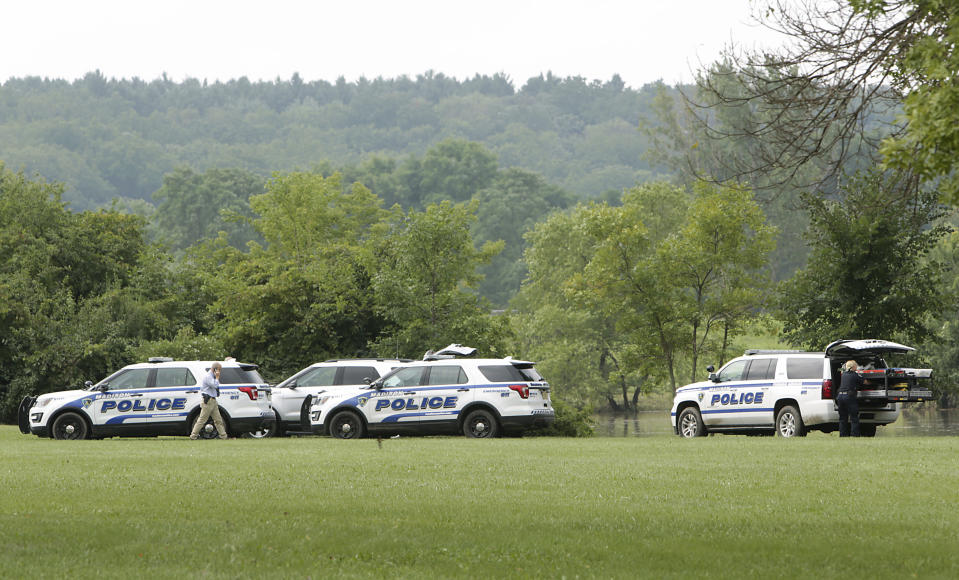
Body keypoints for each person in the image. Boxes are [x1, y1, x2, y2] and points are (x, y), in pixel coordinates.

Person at [190, 362, 229, 440]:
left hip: (213, 401)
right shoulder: (208, 376)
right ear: (215, 369)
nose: (219, 372)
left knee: (218, 419)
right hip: (208, 401)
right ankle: (193, 436)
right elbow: (215, 385)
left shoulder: (212, 376)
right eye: (219, 370)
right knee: (202, 420)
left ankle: (223, 436)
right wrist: (217, 377)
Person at [837, 359, 862, 437]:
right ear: (853, 367)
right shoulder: (854, 375)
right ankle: (855, 435)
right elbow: (864, 382)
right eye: (856, 366)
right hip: (849, 397)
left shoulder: (843, 374)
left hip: (840, 397)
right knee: (854, 417)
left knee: (842, 418)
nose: (857, 367)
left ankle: (843, 435)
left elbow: (839, 370)